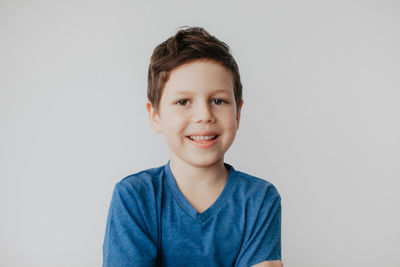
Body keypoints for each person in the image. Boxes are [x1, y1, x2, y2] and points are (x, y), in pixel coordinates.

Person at [102, 26, 283, 267]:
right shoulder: (135, 197)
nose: (204, 115)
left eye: (218, 101)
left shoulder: (260, 199)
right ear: (155, 115)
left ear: (238, 113)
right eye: (183, 101)